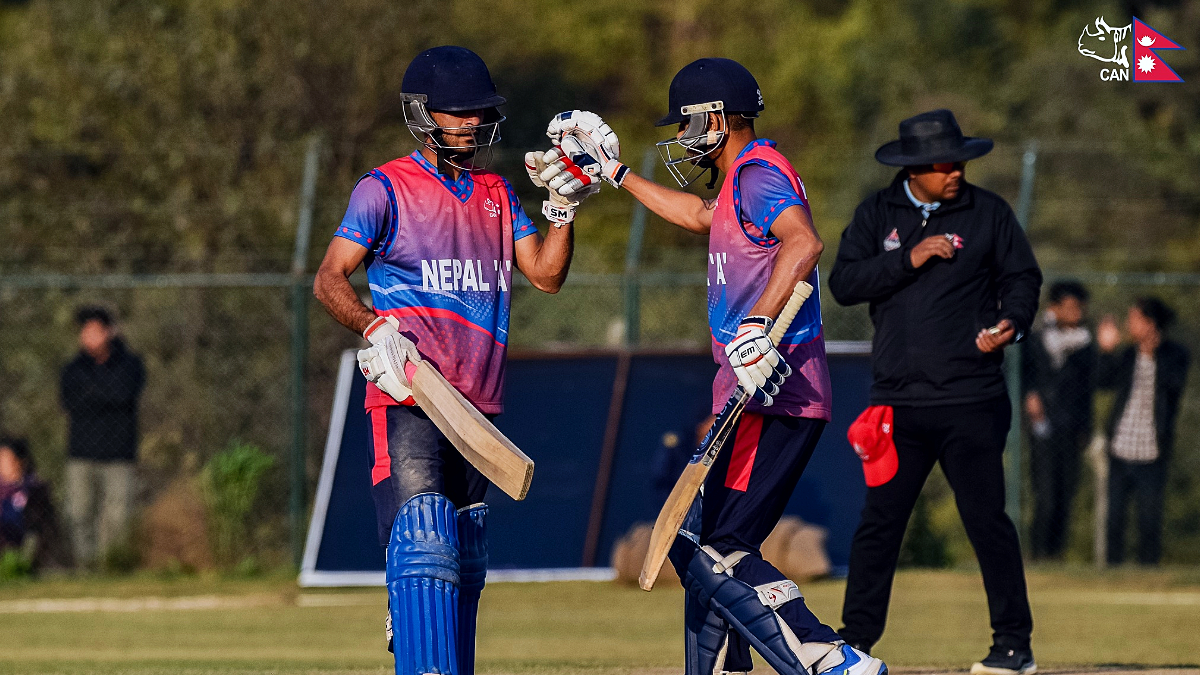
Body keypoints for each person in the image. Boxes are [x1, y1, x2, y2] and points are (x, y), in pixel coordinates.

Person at [535, 58, 885, 675]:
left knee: (718, 545)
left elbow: (803, 241)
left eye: (686, 122)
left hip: (775, 389)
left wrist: (757, 325)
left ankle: (828, 656)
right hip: (748, 390)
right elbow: (698, 216)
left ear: (717, 118)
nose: (679, 136)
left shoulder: (758, 173)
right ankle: (724, 664)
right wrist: (615, 174)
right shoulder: (736, 183)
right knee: (701, 539)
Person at [312, 46, 581, 675]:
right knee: (424, 542)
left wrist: (564, 209)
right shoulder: (383, 189)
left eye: (479, 112)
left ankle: (421, 627)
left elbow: (545, 275)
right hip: (412, 393)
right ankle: (409, 615)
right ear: (422, 114)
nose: (472, 122)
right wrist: (374, 326)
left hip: (477, 404)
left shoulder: (497, 192)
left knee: (465, 555)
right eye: (458, 112)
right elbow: (329, 280)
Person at [828, 109, 1042, 675]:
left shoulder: (988, 212)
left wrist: (1011, 323)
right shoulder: (878, 213)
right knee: (879, 526)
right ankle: (853, 645)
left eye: (960, 162)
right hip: (897, 403)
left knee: (987, 522)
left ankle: (1013, 647)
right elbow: (845, 283)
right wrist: (909, 257)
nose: (956, 173)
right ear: (913, 168)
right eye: (945, 164)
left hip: (972, 400)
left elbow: (1023, 279)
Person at [1096, 297, 1189, 565]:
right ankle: (1113, 569)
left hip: (1152, 449)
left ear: (1150, 324)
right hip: (1121, 445)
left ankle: (1148, 569)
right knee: (1114, 517)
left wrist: (1150, 356)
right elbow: (1103, 382)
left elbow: (1173, 387)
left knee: (1149, 518)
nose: (1129, 325)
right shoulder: (1127, 355)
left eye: (1134, 319)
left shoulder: (1176, 355)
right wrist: (1106, 351)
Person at [60, 305, 145, 568]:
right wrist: (106, 394)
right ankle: (86, 567)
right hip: (81, 453)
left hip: (119, 454)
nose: (89, 337)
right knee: (79, 513)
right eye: (85, 332)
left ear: (110, 332)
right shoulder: (73, 369)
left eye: (96, 331)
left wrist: (94, 394)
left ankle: (112, 568)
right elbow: (70, 400)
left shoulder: (130, 365)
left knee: (117, 517)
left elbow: (124, 393)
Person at [1022, 280, 1096, 560]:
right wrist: (1030, 396)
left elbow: (1088, 389)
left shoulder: (1086, 345)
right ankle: (1038, 553)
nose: (1076, 312)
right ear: (1054, 308)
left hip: (1070, 426)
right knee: (1045, 495)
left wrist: (1085, 429)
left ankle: (1056, 554)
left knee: (1066, 494)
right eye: (1070, 307)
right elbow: (1024, 374)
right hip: (1042, 425)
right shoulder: (1036, 339)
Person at [0, 437, 72, 571]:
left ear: (20, 461)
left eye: (5, 458)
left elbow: (44, 528)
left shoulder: (34, 489)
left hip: (25, 546)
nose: (1, 464)